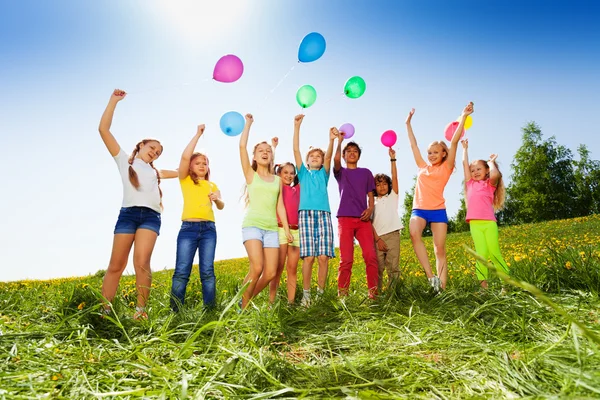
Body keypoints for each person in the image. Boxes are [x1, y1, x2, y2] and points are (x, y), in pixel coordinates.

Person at [98, 89, 177, 320]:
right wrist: (113, 100)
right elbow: (103, 130)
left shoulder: (156, 172)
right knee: (116, 265)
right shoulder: (125, 162)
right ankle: (105, 310)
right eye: (153, 148)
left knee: (142, 262)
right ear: (141, 145)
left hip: (151, 217)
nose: (155, 153)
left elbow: (184, 170)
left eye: (159, 152)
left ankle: (140, 311)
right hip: (128, 215)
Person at [405, 102, 474, 292]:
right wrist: (408, 124)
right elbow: (413, 145)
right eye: (429, 152)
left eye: (436, 152)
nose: (431, 155)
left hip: (438, 211)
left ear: (444, 154)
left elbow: (453, 142)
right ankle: (431, 277)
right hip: (419, 209)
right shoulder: (422, 166)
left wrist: (464, 116)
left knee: (439, 249)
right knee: (413, 233)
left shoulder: (447, 167)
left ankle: (441, 289)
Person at [239, 114, 293, 309]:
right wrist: (248, 124)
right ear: (254, 156)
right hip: (252, 226)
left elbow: (280, 206)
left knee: (270, 273)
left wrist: (286, 229)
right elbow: (242, 147)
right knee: (257, 267)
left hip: (271, 229)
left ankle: (245, 298)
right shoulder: (250, 174)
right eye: (260, 150)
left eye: (268, 151)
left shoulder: (278, 180)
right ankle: (242, 306)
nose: (265, 152)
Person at [170, 125, 224, 311]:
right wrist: (197, 135)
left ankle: (209, 310)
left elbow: (221, 205)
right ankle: (175, 311)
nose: (202, 165)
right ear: (190, 167)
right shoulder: (185, 179)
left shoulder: (212, 184)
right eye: (198, 162)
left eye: (205, 163)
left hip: (209, 230)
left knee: (207, 271)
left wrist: (217, 200)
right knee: (182, 271)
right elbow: (185, 157)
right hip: (188, 230)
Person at [293, 114, 336, 306]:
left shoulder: (324, 175)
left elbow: (329, 156)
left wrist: (331, 140)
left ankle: (320, 294)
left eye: (319, 156)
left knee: (323, 257)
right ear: (307, 161)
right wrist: (297, 127)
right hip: (306, 215)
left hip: (323, 215)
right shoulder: (302, 173)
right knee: (309, 257)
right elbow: (295, 149)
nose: (316, 158)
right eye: (312, 156)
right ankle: (307, 295)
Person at [333, 136, 379, 298]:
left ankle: (374, 295)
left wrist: (370, 208)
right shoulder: (341, 172)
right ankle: (342, 296)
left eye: (355, 151)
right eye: (349, 151)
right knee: (346, 260)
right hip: (344, 219)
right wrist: (339, 141)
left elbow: (370, 194)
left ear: (359, 155)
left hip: (363, 220)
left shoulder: (366, 173)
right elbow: (336, 159)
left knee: (370, 257)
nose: (352, 153)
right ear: (344, 156)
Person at [461, 139, 510, 289]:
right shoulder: (470, 184)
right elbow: (464, 164)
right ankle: (484, 288)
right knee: (481, 254)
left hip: (489, 223)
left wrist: (491, 162)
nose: (475, 172)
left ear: (486, 170)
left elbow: (495, 175)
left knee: (494, 253)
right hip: (475, 224)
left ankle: (506, 285)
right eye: (473, 170)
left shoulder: (489, 185)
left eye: (478, 169)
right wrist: (465, 148)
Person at [269, 162, 301, 304]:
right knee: (278, 268)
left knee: (292, 269)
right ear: (279, 174)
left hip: (296, 232)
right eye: (285, 172)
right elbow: (269, 174)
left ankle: (291, 302)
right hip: (281, 229)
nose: (289, 175)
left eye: (292, 173)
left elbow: (305, 174)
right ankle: (271, 302)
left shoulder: (298, 189)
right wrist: (274, 150)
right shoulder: (277, 187)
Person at [372, 148, 403, 291]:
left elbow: (395, 177)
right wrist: (377, 240)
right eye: (378, 184)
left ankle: (394, 295)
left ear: (389, 185)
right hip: (377, 238)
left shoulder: (393, 197)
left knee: (393, 267)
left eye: (384, 183)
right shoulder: (371, 202)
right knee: (377, 269)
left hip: (393, 235)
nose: (382, 186)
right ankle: (376, 296)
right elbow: (369, 223)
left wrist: (393, 160)